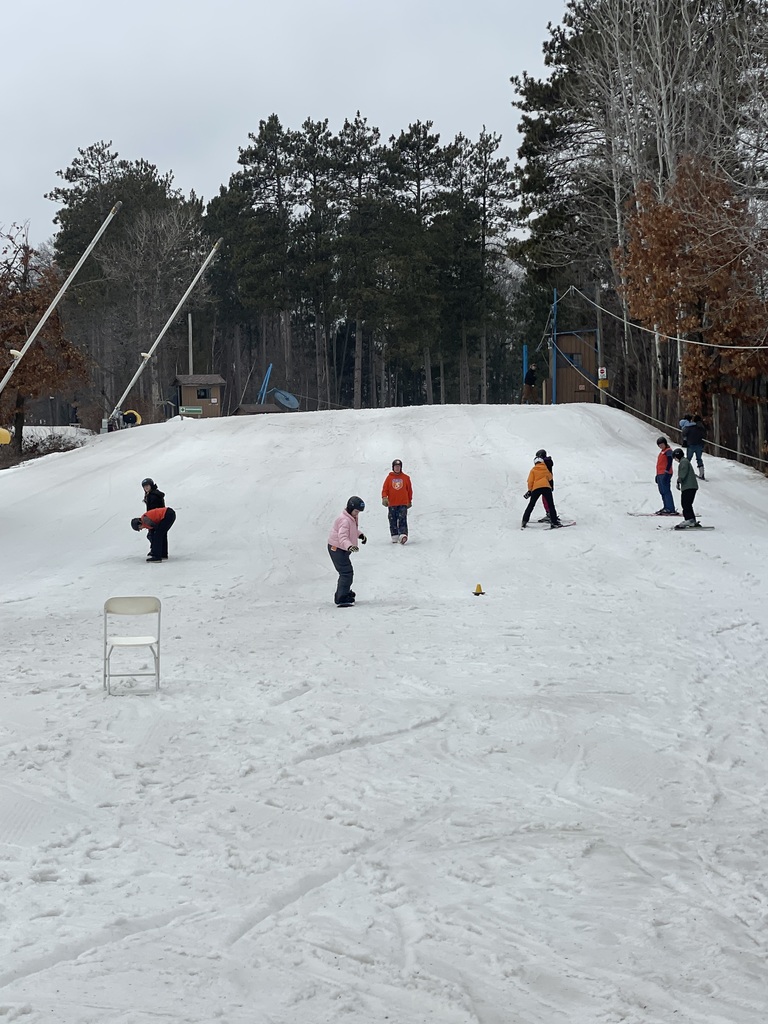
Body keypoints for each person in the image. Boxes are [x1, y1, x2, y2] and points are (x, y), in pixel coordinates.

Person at [327, 496, 366, 606]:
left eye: (358, 512)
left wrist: (360, 535)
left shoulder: (350, 517)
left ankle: (343, 592)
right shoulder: (344, 520)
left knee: (346, 572)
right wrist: (349, 546)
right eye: (356, 511)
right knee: (346, 573)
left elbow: (352, 530)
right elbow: (342, 537)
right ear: (350, 508)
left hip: (341, 548)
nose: (357, 514)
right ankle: (341, 598)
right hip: (337, 548)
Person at [522, 454, 562, 528]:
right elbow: (550, 477)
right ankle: (554, 522)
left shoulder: (533, 470)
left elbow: (530, 481)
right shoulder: (545, 469)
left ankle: (524, 521)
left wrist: (530, 490)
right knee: (551, 505)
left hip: (536, 488)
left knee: (531, 505)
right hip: (546, 487)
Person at [381, 460, 413, 544]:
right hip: (392, 503)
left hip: (403, 503)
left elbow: (409, 490)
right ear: (393, 468)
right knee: (392, 519)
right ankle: (394, 535)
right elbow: (385, 489)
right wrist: (384, 497)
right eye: (395, 466)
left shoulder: (406, 478)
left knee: (402, 519)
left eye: (398, 466)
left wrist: (409, 500)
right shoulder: (389, 478)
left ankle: (403, 535)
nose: (397, 468)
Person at [671, 448, 700, 528]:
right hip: (690, 486)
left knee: (685, 503)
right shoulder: (685, 461)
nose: (675, 460)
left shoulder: (683, 462)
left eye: (675, 458)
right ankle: (692, 520)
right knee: (688, 503)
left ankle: (689, 519)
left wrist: (679, 480)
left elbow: (683, 472)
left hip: (689, 486)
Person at [141, 478, 165, 555]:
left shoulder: (153, 495)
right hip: (157, 517)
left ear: (151, 485)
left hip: (156, 518)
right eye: (144, 487)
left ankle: (156, 551)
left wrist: (151, 519)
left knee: (153, 535)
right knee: (156, 535)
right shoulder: (151, 494)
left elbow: (154, 508)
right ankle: (160, 551)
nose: (146, 488)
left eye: (147, 486)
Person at [654, 437, 677, 515]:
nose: (660, 446)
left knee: (666, 490)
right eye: (659, 445)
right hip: (660, 473)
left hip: (665, 473)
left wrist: (667, 472)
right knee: (662, 491)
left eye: (662, 444)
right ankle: (666, 506)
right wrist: (657, 475)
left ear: (665, 443)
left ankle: (670, 508)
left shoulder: (668, 451)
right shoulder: (662, 452)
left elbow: (670, 461)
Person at [682, 415, 707, 479]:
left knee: (688, 459)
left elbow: (684, 433)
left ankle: (686, 473)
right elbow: (704, 435)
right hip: (699, 445)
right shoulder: (701, 427)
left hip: (691, 445)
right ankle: (702, 474)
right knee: (699, 459)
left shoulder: (690, 426)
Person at [534, 448, 556, 522]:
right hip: (548, 483)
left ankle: (550, 514)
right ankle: (550, 514)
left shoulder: (545, 463)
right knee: (547, 500)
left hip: (546, 484)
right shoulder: (547, 462)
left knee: (546, 500)